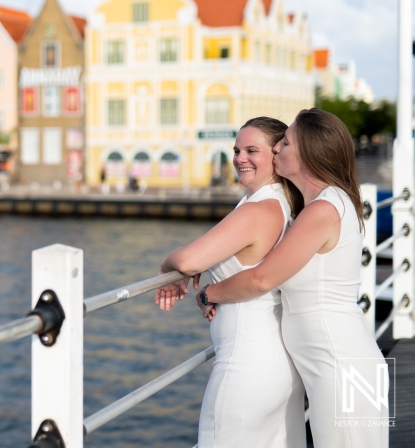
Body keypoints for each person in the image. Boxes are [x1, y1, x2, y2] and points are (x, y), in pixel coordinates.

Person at [199, 108, 389, 447]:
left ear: (307, 153)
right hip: (341, 358)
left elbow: (261, 279)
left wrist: (209, 293)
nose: (276, 150)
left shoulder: (322, 210)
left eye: (284, 143)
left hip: (339, 363)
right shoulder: (324, 204)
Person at [156, 117, 305, 448]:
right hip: (274, 362)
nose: (240, 158)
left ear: (277, 154)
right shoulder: (280, 202)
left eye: (252, 150)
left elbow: (187, 260)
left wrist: (167, 266)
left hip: (246, 366)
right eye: (236, 150)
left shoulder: (260, 209)